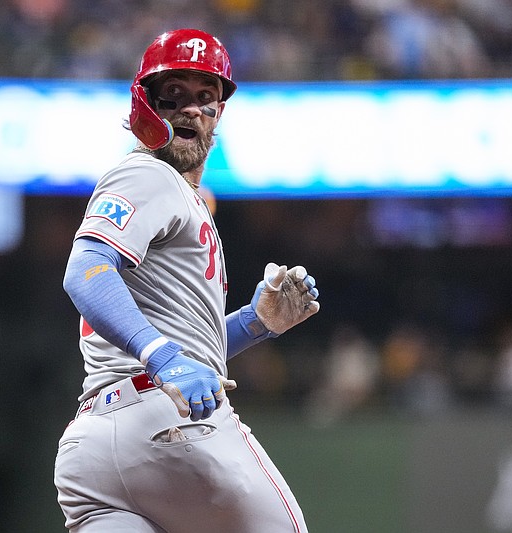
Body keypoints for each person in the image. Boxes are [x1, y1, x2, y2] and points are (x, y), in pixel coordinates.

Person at [54, 28, 320, 533]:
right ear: (144, 105)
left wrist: (255, 323)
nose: (191, 110)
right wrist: (165, 359)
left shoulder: (178, 195)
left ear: (220, 113)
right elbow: (85, 271)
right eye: (172, 96)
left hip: (93, 451)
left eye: (205, 99)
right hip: (168, 423)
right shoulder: (148, 175)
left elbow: (182, 339)